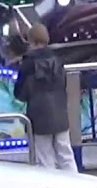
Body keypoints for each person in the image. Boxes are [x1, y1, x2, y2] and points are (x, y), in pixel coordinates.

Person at [14, 24, 77, 172]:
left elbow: (20, 93)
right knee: (66, 155)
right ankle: (77, 187)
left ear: (32, 41)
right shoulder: (58, 59)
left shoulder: (28, 63)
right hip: (60, 112)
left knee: (45, 158)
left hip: (38, 115)